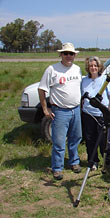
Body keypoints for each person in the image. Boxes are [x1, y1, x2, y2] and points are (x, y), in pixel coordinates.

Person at [38, 42, 82, 180]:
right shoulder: (52, 69)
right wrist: (45, 108)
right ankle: (57, 168)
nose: (68, 56)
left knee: (75, 138)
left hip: (76, 110)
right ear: (60, 54)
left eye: (71, 53)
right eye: (65, 53)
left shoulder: (77, 69)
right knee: (59, 141)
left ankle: (74, 162)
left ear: (74, 55)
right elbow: (41, 89)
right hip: (60, 111)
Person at [81, 56, 110, 171]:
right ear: (88, 67)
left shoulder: (105, 80)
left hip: (102, 116)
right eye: (91, 66)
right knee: (90, 139)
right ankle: (93, 161)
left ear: (99, 67)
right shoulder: (84, 81)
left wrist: (109, 113)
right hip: (88, 115)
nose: (93, 68)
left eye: (95, 65)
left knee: (105, 141)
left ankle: (109, 162)